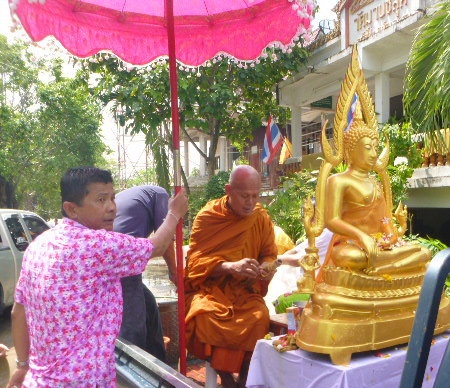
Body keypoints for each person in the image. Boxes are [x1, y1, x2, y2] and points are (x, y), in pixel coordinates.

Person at [7, 167, 187, 388]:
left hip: (38, 381)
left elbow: (18, 313)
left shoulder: (38, 245)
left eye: (112, 198)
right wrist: (174, 214)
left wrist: (22, 365)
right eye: (101, 200)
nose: (112, 207)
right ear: (72, 209)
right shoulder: (99, 245)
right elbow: (157, 246)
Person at [184, 165, 277, 388]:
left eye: (255, 196)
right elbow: (194, 263)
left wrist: (266, 267)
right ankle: (226, 379)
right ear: (229, 190)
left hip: (245, 291)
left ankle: (244, 379)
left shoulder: (260, 217)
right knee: (205, 317)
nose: (251, 202)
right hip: (210, 289)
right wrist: (229, 267)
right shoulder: (209, 216)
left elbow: (269, 254)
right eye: (245, 196)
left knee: (259, 317)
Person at [114, 185, 177, 362]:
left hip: (115, 259)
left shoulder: (133, 195)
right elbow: (164, 242)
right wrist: (175, 273)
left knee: (148, 303)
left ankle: (158, 365)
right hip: (123, 258)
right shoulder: (161, 194)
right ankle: (133, 372)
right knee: (133, 326)